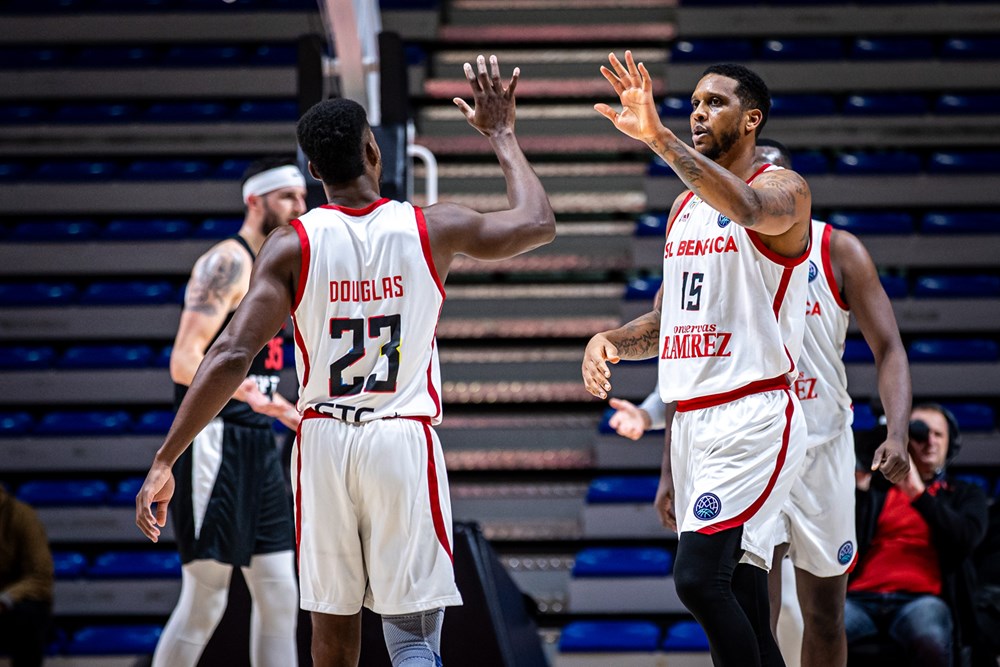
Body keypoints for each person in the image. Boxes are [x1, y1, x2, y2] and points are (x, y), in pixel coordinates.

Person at [136, 54, 555, 667]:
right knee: (412, 639)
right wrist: (502, 134)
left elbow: (229, 353)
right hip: (399, 437)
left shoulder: (291, 243)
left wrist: (165, 458)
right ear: (373, 152)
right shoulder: (432, 227)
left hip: (324, 443)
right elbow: (538, 222)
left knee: (332, 642)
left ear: (312, 170)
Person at [608, 138, 912, 667]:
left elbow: (889, 348)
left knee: (824, 613)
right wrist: (670, 471)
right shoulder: (708, 243)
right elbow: (690, 359)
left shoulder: (836, 250)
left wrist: (897, 432)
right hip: (752, 440)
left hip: (820, 445)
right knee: (748, 600)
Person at [582, 53, 812, 666]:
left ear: (752, 118)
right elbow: (668, 321)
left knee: (698, 580)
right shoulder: (683, 210)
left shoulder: (785, 189)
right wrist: (610, 340)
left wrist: (657, 137)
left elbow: (750, 210)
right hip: (692, 421)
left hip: (752, 415)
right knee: (743, 597)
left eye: (716, 103)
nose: (699, 113)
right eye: (694, 105)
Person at [153, 157, 307, 667]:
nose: (299, 206)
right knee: (205, 600)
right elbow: (184, 361)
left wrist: (280, 408)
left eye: (302, 196)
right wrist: (253, 396)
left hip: (259, 444)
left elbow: (262, 376)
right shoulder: (228, 262)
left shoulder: (278, 266)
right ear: (254, 201)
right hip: (214, 441)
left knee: (281, 595)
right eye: (287, 197)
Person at [846, 404, 989, 666]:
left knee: (930, 638)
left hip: (921, 601)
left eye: (938, 434)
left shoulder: (965, 494)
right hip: (859, 598)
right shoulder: (877, 494)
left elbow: (965, 538)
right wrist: (859, 492)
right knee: (821, 629)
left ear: (951, 444)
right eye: (920, 434)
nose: (930, 442)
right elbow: (843, 542)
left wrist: (918, 494)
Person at [0, 485, 54, 667]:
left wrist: (5, 598)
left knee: (30, 614)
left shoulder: (22, 515)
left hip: (11, 604)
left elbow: (40, 576)